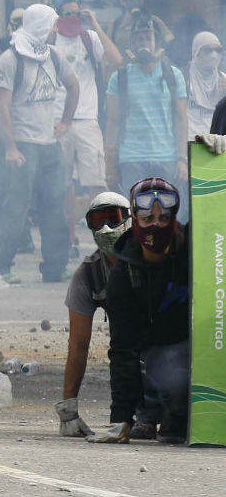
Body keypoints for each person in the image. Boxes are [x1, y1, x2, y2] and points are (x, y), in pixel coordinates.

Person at [90, 178, 190, 444]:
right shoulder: (125, 273)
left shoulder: (196, 247)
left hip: (207, 339)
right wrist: (120, 418)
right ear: (135, 221)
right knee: (170, 370)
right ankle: (165, 411)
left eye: (163, 217)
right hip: (161, 353)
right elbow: (123, 349)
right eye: (147, 218)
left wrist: (220, 161)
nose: (156, 224)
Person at [0, 3, 79, 283]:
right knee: (16, 207)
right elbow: (1, 107)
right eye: (52, 25)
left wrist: (65, 122)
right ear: (42, 26)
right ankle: (0, 266)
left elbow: (74, 85)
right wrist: (10, 147)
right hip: (23, 146)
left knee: (55, 206)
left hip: (49, 144)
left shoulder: (54, 56)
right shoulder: (9, 59)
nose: (56, 30)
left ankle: (54, 267)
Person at [55, 192, 130, 437]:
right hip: (124, 350)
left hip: (159, 342)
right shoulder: (88, 275)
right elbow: (78, 345)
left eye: (114, 218)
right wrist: (68, 411)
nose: (106, 227)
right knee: (122, 350)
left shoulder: (150, 258)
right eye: (98, 221)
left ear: (130, 220)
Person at [52, 0, 122, 257]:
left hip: (86, 121)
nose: (72, 18)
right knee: (62, 186)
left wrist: (95, 24)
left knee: (96, 185)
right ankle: (69, 239)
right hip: (58, 122)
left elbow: (116, 59)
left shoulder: (89, 38)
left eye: (76, 13)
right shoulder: (52, 40)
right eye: (67, 13)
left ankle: (104, 242)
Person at [104, 12, 189, 222]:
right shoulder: (120, 77)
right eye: (139, 39)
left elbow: (181, 119)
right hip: (132, 158)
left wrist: (182, 159)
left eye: (148, 38)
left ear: (156, 43)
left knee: (171, 217)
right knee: (136, 218)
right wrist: (110, 166)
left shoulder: (173, 74)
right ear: (132, 43)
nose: (144, 43)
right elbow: (112, 123)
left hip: (167, 158)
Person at [109, 0, 173, 58]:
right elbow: (107, 52)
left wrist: (160, 53)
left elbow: (171, 42)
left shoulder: (154, 21)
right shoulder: (115, 26)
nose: (135, 1)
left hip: (149, 69)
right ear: (122, 0)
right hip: (124, 70)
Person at [187, 32, 226, 140]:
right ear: (196, 52)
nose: (214, 55)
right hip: (190, 142)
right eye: (208, 50)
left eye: (218, 50)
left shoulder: (224, 80)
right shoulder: (185, 79)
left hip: (217, 144)